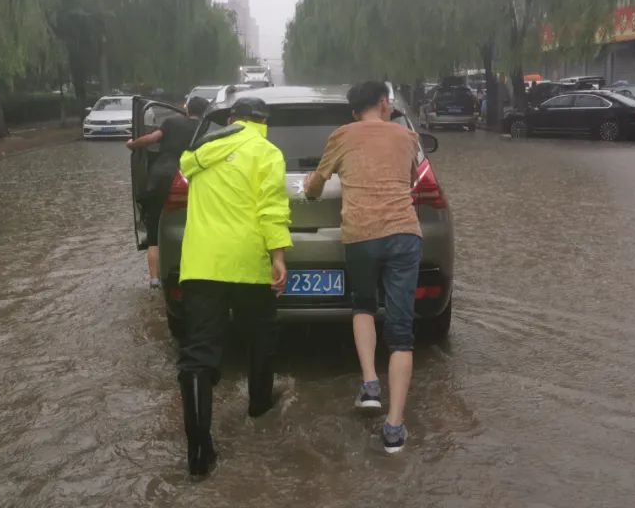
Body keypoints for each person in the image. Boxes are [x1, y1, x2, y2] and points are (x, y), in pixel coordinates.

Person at [175, 97, 291, 476]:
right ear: (262, 120)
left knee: (198, 354)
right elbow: (271, 207)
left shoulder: (201, 152)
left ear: (232, 119)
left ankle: (198, 451)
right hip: (247, 264)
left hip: (201, 266)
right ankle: (259, 404)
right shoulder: (265, 151)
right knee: (261, 334)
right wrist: (278, 256)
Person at [304, 81, 421, 454]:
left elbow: (315, 186)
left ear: (355, 112)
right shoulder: (408, 137)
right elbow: (413, 181)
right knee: (402, 332)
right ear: (385, 103)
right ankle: (394, 429)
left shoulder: (343, 135)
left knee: (363, 304)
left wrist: (309, 188)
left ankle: (370, 384)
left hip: (362, 235)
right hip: (405, 235)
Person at [126, 96, 210, 289]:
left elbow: (152, 139)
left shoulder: (171, 122)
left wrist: (132, 144)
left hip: (159, 176)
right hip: (185, 179)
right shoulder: (205, 129)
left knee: (154, 228)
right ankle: (189, 271)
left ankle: (154, 279)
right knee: (184, 226)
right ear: (205, 111)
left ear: (188, 109)